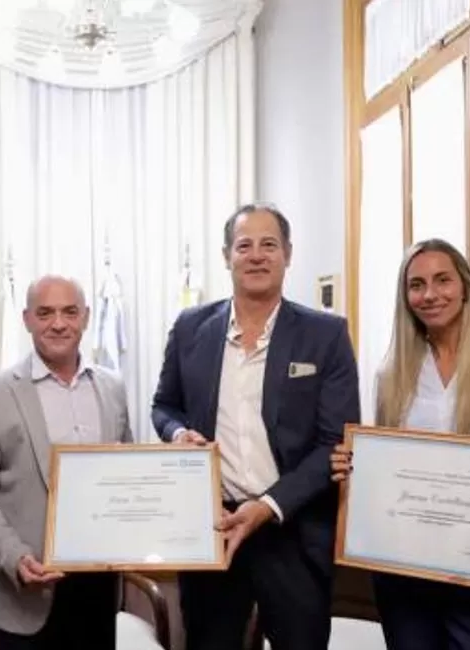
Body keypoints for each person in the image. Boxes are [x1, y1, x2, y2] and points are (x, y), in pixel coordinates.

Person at [151, 203, 361, 650]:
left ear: (288, 254)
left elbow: (334, 443)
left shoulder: (326, 335)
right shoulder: (190, 328)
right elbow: (164, 406)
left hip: (293, 529)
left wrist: (268, 505)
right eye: (244, 245)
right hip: (215, 525)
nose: (257, 255)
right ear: (227, 256)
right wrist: (176, 434)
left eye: (269, 245)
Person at [331, 237, 470, 650]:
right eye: (416, 285)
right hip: (405, 571)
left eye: (442, 280)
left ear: (465, 286)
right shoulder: (391, 375)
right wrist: (354, 467)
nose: (430, 294)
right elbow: (385, 476)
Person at [0, 274, 131, 650]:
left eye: (69, 312)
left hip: (98, 591)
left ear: (86, 317)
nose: (58, 323)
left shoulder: (113, 388)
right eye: (45, 313)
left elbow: (125, 476)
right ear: (26, 319)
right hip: (25, 591)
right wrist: (15, 558)